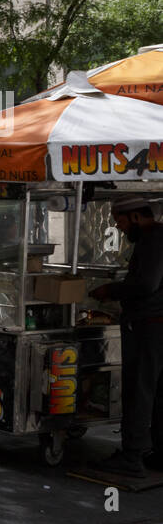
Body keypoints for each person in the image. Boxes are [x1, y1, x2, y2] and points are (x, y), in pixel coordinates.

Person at [88, 197, 163, 476]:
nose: (118, 227)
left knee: (139, 390)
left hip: (149, 325)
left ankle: (132, 457)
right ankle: (158, 453)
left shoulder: (153, 239)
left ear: (134, 216)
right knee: (157, 393)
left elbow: (146, 283)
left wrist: (111, 290)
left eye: (119, 220)